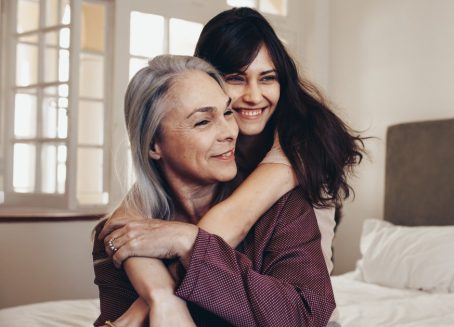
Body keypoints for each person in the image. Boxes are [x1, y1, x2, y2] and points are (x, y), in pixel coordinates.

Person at [97, 6, 364, 325]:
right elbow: (128, 219)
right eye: (236, 78)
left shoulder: (299, 146)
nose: (253, 96)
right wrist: (155, 290)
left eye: (268, 78)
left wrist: (163, 281)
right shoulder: (197, 162)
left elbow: (236, 218)